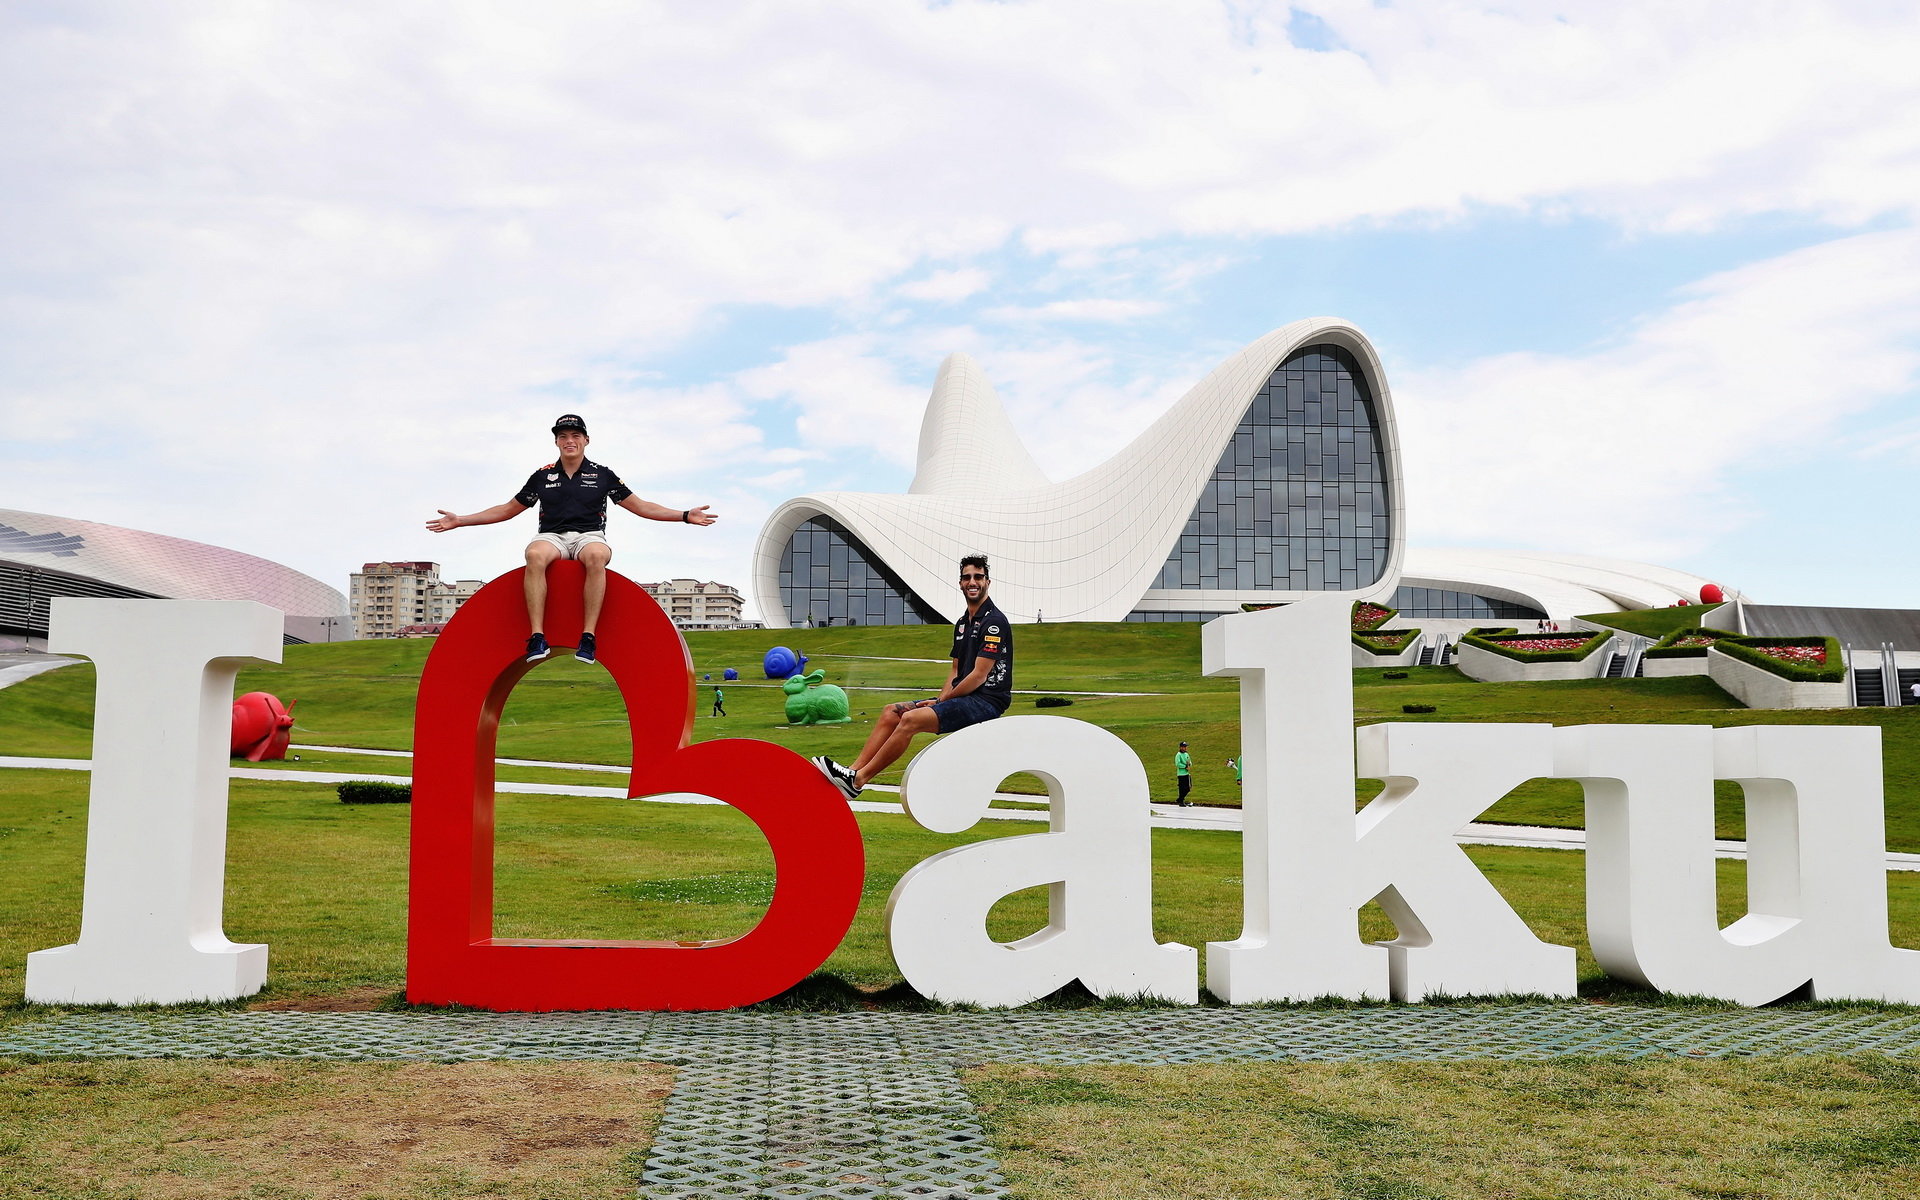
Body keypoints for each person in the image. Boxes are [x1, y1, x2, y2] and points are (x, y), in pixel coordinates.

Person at [425, 414, 718, 665]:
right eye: (563, 436)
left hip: (590, 536)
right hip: (551, 537)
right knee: (534, 555)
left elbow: (641, 507)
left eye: (575, 435)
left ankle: (588, 637)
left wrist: (683, 515)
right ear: (556, 442)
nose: (569, 440)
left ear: (586, 440)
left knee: (595, 556)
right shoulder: (543, 476)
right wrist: (460, 520)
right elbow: (507, 509)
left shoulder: (602, 475)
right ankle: (537, 637)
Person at [812, 554, 1011, 799]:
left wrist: (942, 703)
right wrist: (941, 699)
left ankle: (860, 780)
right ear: (960, 583)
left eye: (978, 577)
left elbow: (979, 676)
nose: (973, 582)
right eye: (967, 577)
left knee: (910, 720)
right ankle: (851, 773)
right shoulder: (962, 623)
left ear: (987, 582)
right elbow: (956, 671)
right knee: (891, 712)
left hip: (986, 701)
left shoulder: (994, 622)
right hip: (963, 697)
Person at [1174, 741, 1192, 807]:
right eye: (1184, 747)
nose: (1185, 748)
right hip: (1181, 774)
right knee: (1182, 788)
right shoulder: (1178, 755)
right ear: (1180, 747)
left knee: (1188, 788)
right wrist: (1185, 766)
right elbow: (1178, 764)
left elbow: (1190, 762)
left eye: (1185, 747)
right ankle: (1181, 801)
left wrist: (1189, 765)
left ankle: (1180, 799)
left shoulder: (1187, 754)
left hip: (1186, 774)